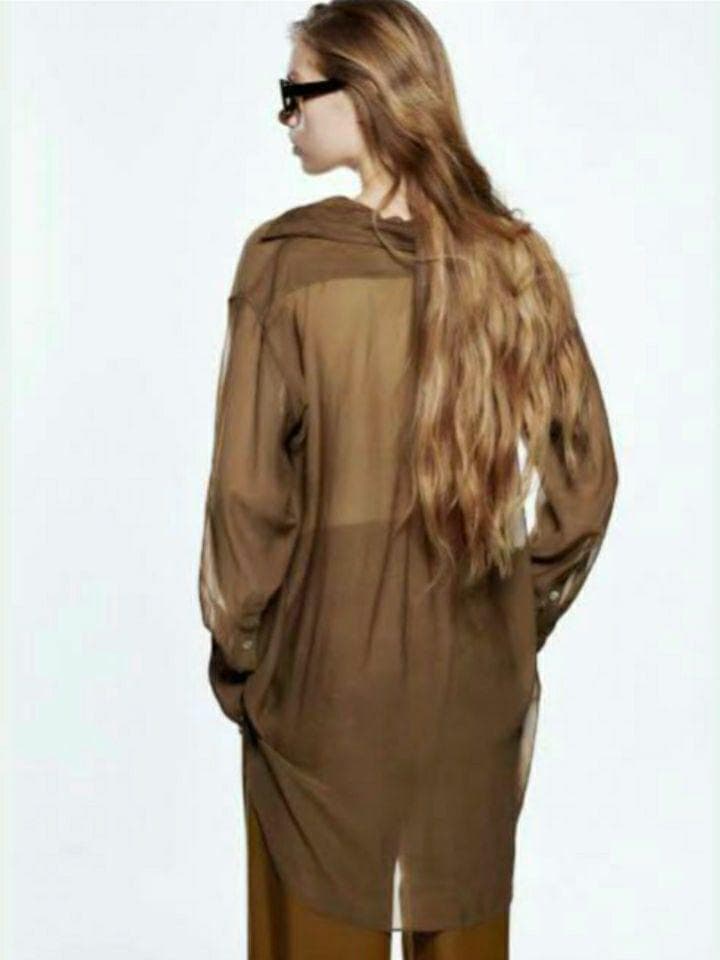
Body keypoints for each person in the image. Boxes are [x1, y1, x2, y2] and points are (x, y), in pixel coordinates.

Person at [197, 1, 619, 957]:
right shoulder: (513, 265)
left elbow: (247, 505)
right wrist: (509, 622)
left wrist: (243, 663)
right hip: (470, 695)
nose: (286, 115)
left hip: (322, 696)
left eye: (296, 92)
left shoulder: (286, 266)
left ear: (365, 95)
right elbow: (587, 487)